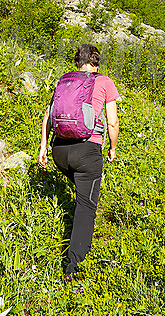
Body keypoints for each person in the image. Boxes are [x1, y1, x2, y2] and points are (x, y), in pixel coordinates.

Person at [38, 43, 119, 281]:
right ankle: (74, 268)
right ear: (97, 61)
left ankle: (74, 223)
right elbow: (112, 122)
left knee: (80, 191)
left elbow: (48, 116)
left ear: (77, 61)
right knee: (86, 207)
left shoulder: (64, 80)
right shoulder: (104, 82)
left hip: (59, 152)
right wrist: (113, 148)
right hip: (87, 151)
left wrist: (43, 147)